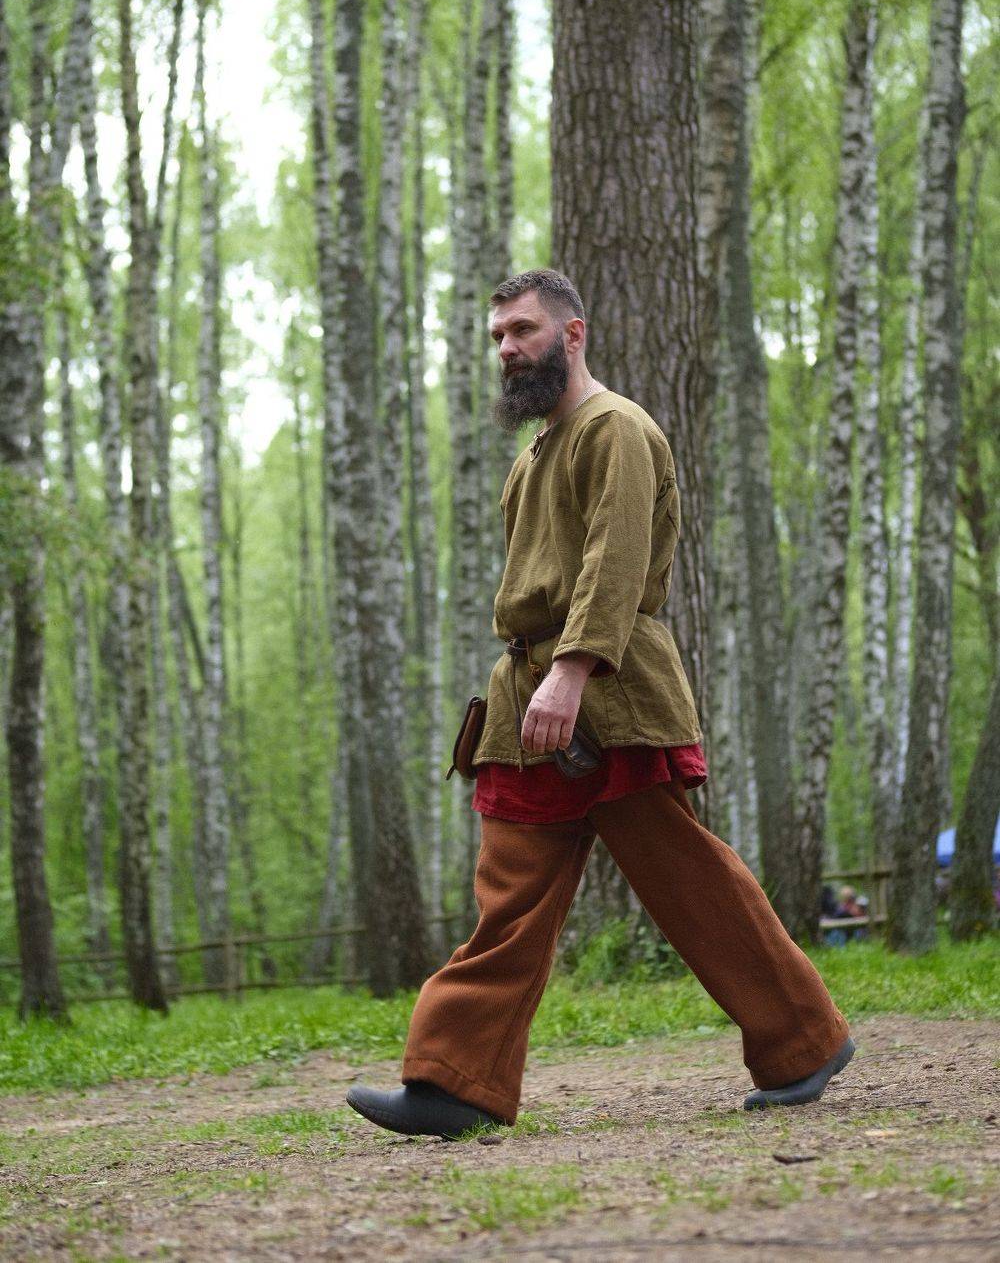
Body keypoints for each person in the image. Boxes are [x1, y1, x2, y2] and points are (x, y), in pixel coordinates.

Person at [347, 270, 854, 1139]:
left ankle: (803, 1040)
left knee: (686, 879)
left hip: (605, 697)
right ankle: (454, 1082)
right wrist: (540, 680)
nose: (509, 349)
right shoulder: (534, 456)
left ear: (572, 333)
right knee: (510, 891)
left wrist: (573, 670)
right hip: (530, 699)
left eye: (524, 330)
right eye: (499, 336)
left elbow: (615, 561)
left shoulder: (615, 427)